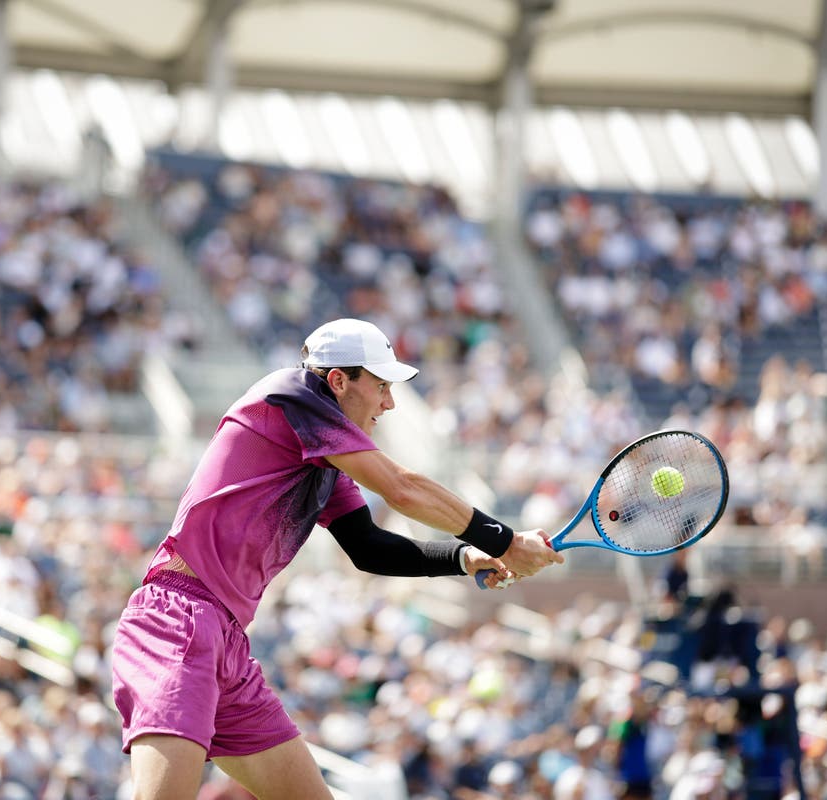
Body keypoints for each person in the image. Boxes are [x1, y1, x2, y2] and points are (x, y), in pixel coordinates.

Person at [109, 318, 565, 799]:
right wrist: (506, 541)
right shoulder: (294, 396)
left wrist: (467, 558)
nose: (389, 403)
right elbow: (403, 488)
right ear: (338, 381)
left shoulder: (321, 456)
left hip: (225, 638)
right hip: (178, 620)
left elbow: (368, 547)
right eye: (382, 386)